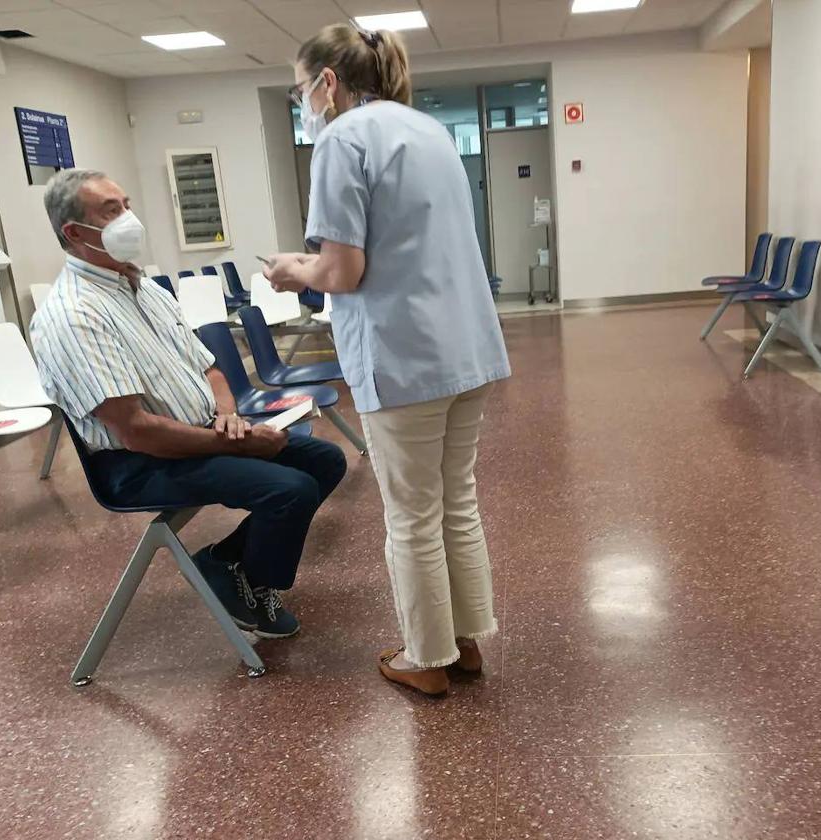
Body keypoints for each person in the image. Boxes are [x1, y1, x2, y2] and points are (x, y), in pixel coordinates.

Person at [264, 23, 511, 696]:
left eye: (299, 90)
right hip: (467, 348)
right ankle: (463, 642)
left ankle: (424, 658)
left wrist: (295, 269)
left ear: (328, 83)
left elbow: (342, 270)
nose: (302, 104)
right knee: (455, 499)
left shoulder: (342, 140)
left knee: (412, 512)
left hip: (405, 357)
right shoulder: (427, 131)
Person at [31, 169, 346, 640]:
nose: (129, 219)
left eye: (127, 204)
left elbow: (211, 369)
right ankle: (249, 583)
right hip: (138, 462)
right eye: (111, 211)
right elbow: (136, 430)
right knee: (289, 490)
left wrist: (229, 416)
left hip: (199, 434)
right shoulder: (74, 315)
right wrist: (237, 446)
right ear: (74, 233)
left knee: (324, 459)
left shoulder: (145, 289)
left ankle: (225, 563)